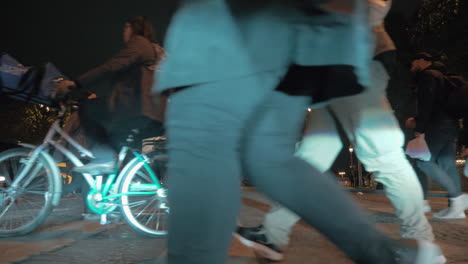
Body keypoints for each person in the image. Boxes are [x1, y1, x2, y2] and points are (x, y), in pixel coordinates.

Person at [154, 1, 443, 263]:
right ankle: (387, 255)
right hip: (304, 40)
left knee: (205, 143)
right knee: (273, 160)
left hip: (241, 24)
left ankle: (411, 241)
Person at [235, 0, 438, 261]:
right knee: (309, 159)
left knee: (382, 153)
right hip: (325, 67)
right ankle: (273, 234)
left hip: (351, 58)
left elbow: (372, 5)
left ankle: (421, 243)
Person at [54, 16, 167, 175]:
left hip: (138, 109)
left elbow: (111, 67)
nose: (124, 33)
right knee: (111, 143)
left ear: (131, 28)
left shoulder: (139, 43)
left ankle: (103, 157)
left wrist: (76, 83)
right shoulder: (153, 50)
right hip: (154, 114)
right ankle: (107, 183)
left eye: (125, 28)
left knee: (88, 107)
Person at [406, 52, 468, 220]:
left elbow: (427, 104)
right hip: (452, 126)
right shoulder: (447, 78)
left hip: (437, 125)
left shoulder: (428, 76)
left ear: (422, 60)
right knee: (447, 164)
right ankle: (456, 209)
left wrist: (419, 125)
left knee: (422, 162)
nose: (412, 68)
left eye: (413, 64)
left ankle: (458, 198)